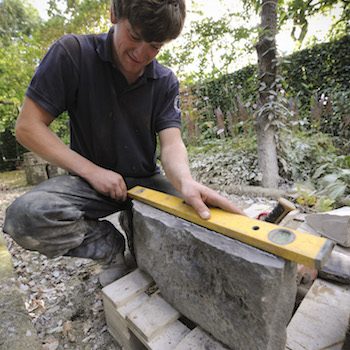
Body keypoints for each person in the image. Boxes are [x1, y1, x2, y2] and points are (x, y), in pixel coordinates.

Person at [3, 0, 245, 286]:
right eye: (135, 36)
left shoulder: (165, 81)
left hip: (146, 182)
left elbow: (171, 144)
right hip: (89, 183)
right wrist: (92, 172)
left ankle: (137, 226)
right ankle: (108, 246)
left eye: (155, 45)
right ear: (114, 14)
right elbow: (28, 127)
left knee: (207, 219)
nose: (142, 54)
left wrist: (185, 181)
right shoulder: (72, 54)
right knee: (25, 218)